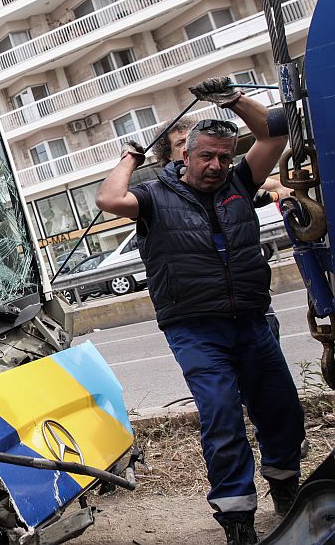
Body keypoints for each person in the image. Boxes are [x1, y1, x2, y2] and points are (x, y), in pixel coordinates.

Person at [96, 77, 305, 545]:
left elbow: (274, 135)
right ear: (182, 156)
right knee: (222, 416)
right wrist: (130, 156)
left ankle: (286, 488)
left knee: (281, 410)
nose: (215, 165)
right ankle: (237, 520)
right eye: (205, 156)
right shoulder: (153, 197)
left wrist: (232, 100)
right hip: (195, 330)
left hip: (252, 320)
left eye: (223, 157)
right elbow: (109, 199)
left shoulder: (239, 182)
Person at [151, 116, 288, 340]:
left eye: (192, 139)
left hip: (251, 308)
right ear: (171, 156)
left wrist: (276, 191)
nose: (190, 144)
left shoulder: (230, 180)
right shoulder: (158, 198)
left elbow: (269, 165)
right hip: (202, 318)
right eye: (181, 143)